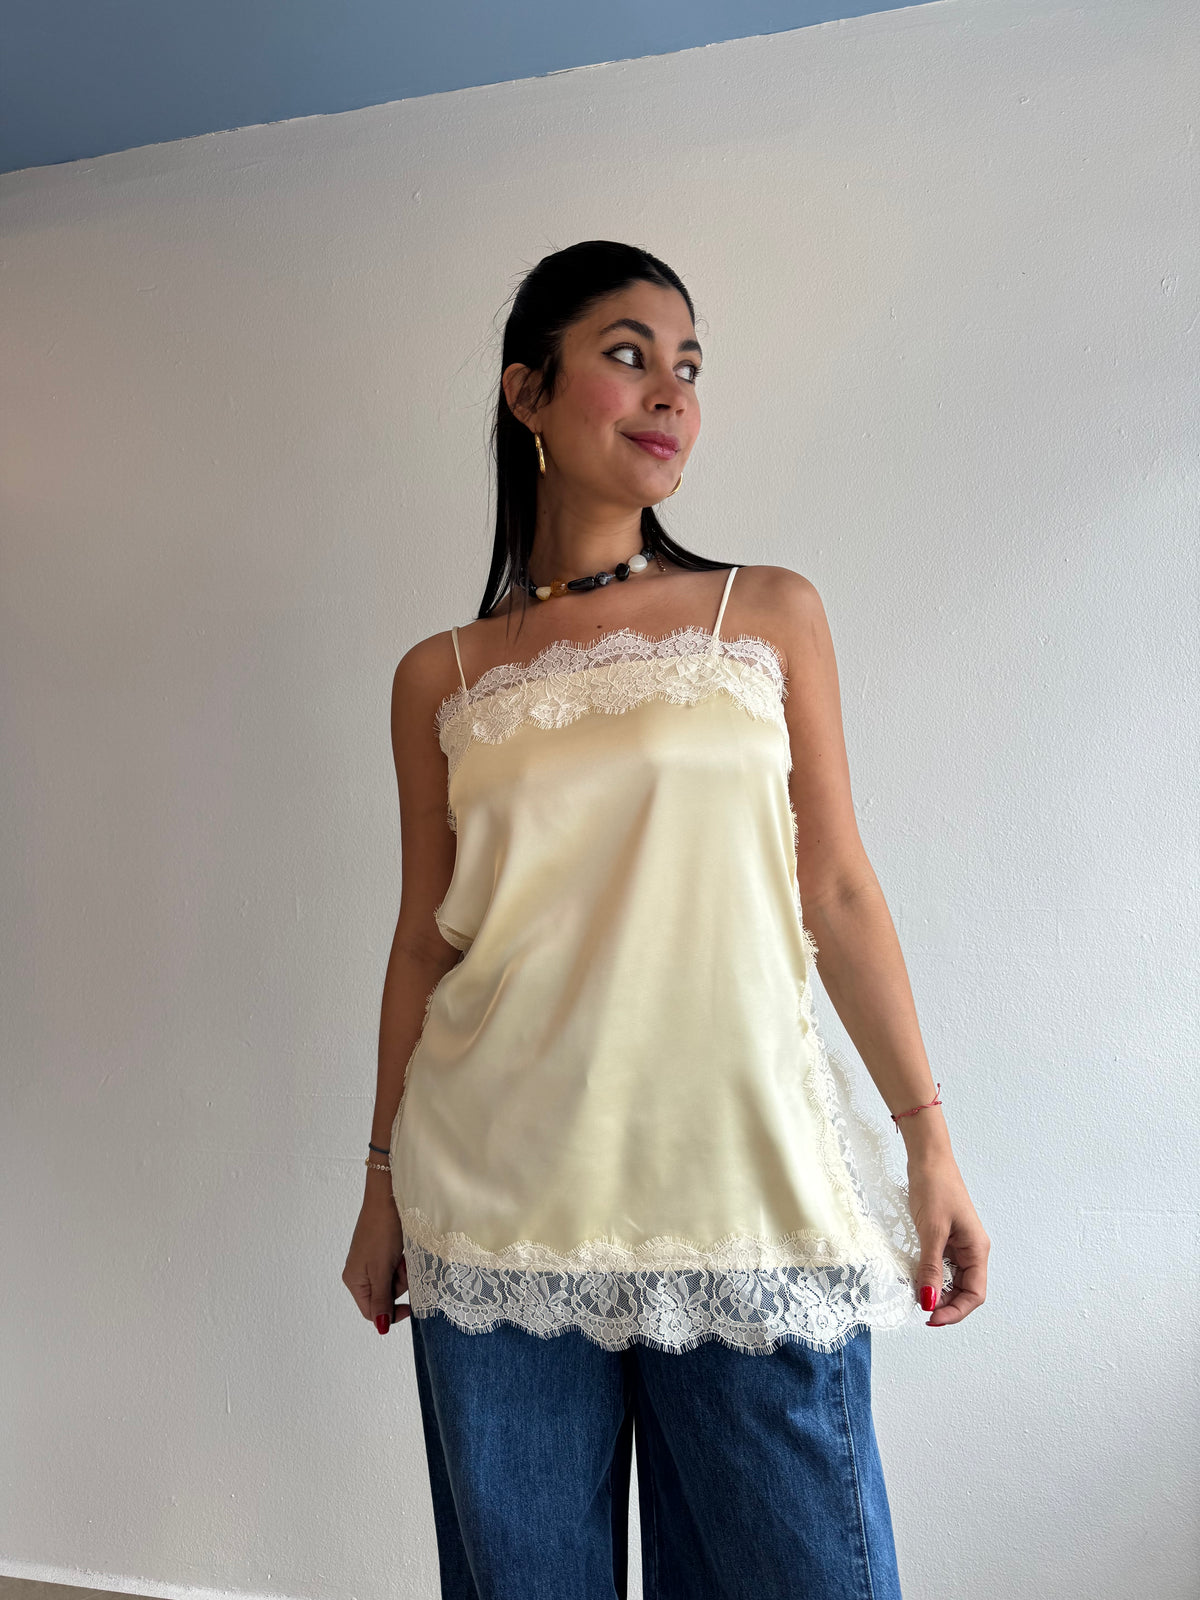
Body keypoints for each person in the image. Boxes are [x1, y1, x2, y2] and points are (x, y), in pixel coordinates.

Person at [343, 239, 989, 1598]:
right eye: (628, 355)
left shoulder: (764, 615)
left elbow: (837, 888)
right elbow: (424, 944)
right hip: (496, 1201)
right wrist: (380, 1185)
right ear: (527, 391)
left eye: (688, 366)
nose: (671, 394)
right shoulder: (438, 677)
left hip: (739, 1190)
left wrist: (928, 1146)